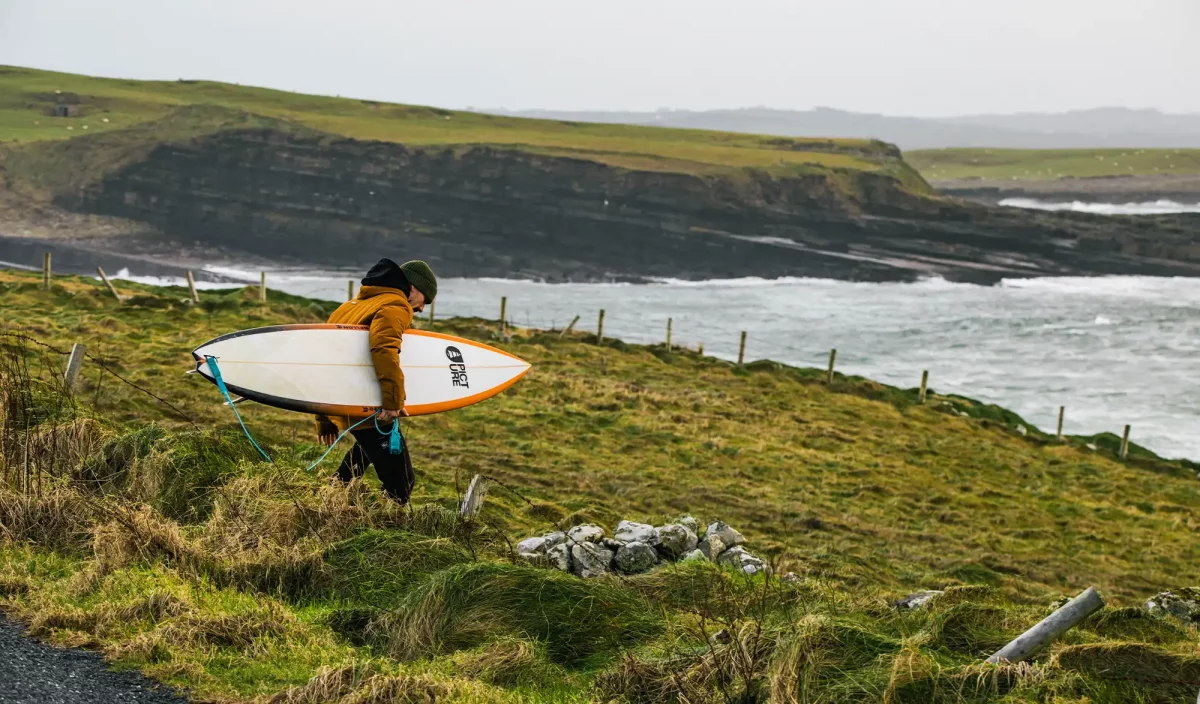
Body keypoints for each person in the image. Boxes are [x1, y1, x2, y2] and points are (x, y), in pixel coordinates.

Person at [314, 258, 437, 504]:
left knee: (366, 451)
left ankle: (325, 500)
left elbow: (324, 360)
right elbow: (384, 350)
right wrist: (392, 402)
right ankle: (380, 533)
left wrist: (324, 416)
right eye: (426, 299)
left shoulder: (350, 306)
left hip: (345, 402)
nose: (422, 309)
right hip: (366, 404)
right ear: (412, 288)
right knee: (401, 484)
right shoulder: (396, 305)